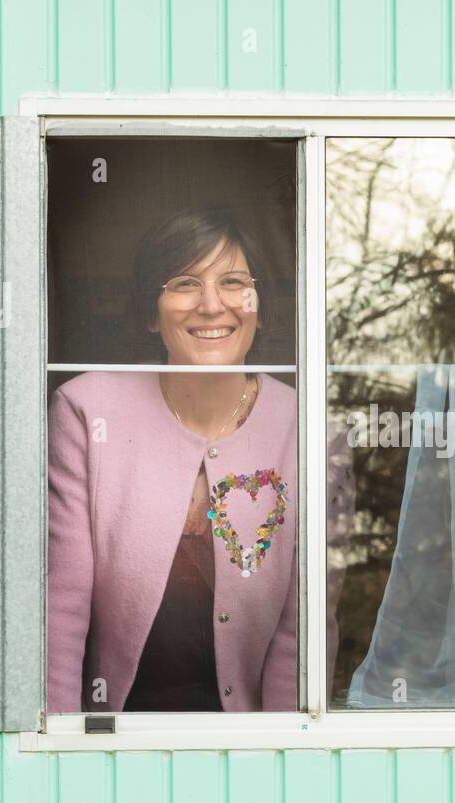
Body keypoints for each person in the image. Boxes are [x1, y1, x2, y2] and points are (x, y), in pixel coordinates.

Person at [46, 206, 315, 713]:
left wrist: (283, 756)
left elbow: (300, 628)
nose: (212, 305)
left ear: (259, 304)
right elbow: (61, 610)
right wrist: (62, 749)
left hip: (255, 743)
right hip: (112, 737)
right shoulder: (85, 411)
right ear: (151, 311)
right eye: (186, 283)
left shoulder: (306, 426)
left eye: (234, 282)